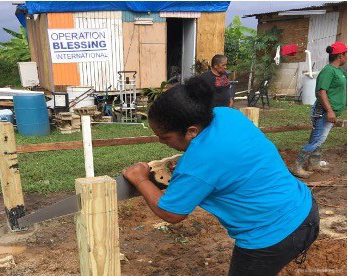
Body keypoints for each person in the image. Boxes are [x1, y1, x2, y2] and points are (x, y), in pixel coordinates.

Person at [122, 76, 319, 275]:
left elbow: (171, 213)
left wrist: (140, 179)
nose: (160, 141)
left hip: (272, 236)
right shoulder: (225, 115)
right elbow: (223, 158)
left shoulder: (199, 163)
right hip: (304, 209)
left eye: (165, 137)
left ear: (191, 131)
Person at [292, 42, 347, 178]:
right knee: (316, 140)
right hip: (323, 112)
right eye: (345, 54)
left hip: (330, 112)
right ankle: (297, 166)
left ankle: (314, 163)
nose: (346, 57)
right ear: (340, 55)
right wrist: (329, 111)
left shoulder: (340, 71)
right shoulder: (328, 71)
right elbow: (321, 92)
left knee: (320, 139)